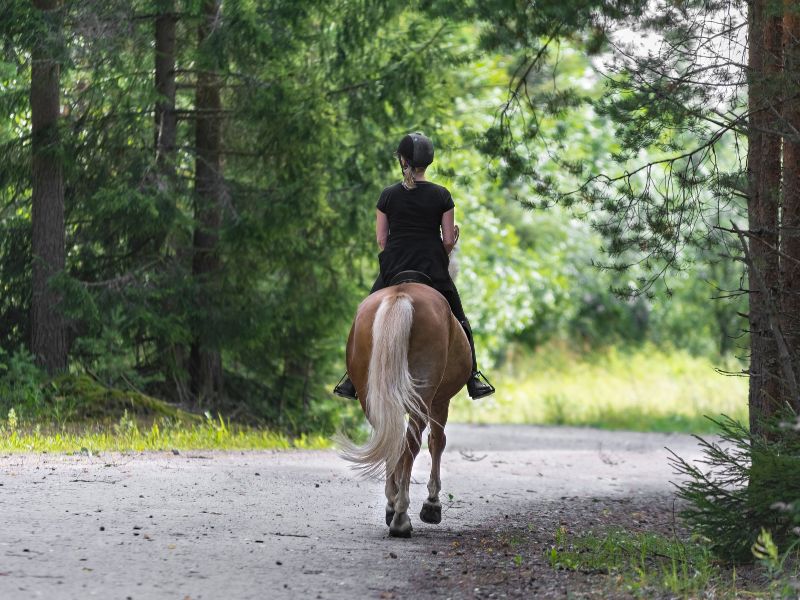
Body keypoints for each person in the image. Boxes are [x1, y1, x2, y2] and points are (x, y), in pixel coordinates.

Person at [333, 132, 495, 400]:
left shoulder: (387, 195)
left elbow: (382, 240)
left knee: (363, 314)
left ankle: (351, 378)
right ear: (427, 163)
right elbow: (446, 242)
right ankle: (473, 376)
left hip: (394, 266)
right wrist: (450, 245)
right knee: (460, 317)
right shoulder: (442, 195)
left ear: (403, 161)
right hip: (431, 267)